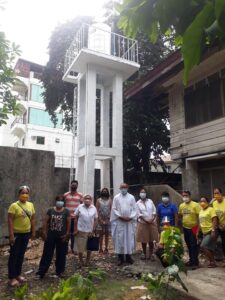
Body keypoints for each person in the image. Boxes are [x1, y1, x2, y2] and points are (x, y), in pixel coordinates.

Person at [36, 195, 70, 279]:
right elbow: (45, 221)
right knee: (47, 254)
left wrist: (67, 234)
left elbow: (68, 223)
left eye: (62, 200)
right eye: (58, 200)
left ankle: (60, 272)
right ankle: (41, 272)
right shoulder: (50, 210)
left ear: (64, 202)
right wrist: (44, 232)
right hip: (50, 236)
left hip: (62, 236)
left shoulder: (66, 211)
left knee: (61, 255)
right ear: (56, 201)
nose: (60, 202)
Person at [8, 185, 35, 287]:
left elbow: (33, 219)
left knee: (21, 255)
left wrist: (33, 232)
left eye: (26, 193)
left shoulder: (31, 205)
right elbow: (10, 220)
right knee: (14, 255)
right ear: (19, 194)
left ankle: (18, 275)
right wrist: (11, 235)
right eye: (22, 193)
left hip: (26, 234)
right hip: (16, 234)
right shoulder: (14, 206)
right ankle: (11, 278)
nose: (25, 195)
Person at [110, 183, 137, 266]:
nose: (123, 189)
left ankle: (129, 257)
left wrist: (130, 217)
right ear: (120, 188)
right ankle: (120, 258)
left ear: (127, 188)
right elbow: (114, 208)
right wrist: (120, 216)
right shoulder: (116, 197)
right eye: (122, 187)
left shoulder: (131, 197)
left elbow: (135, 209)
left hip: (129, 222)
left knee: (129, 239)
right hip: (120, 221)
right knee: (120, 239)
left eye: (125, 187)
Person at [74, 194, 98, 268]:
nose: (87, 200)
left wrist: (93, 230)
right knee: (80, 247)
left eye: (89, 198)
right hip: (80, 230)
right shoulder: (80, 207)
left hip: (89, 230)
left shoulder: (93, 208)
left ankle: (87, 261)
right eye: (86, 198)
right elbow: (76, 218)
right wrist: (76, 229)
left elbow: (96, 219)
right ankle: (81, 261)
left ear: (91, 200)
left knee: (89, 247)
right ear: (83, 199)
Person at [178, 191, 200, 269]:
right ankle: (191, 260)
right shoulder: (181, 205)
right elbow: (180, 215)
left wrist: (198, 229)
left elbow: (199, 217)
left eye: (186, 196)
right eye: (183, 196)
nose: (185, 197)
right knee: (188, 245)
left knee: (193, 245)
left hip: (194, 227)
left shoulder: (196, 205)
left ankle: (195, 262)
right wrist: (181, 223)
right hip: (185, 227)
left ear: (190, 196)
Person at [136, 188, 159, 260]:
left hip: (151, 223)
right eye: (141, 192)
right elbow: (138, 214)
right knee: (143, 239)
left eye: (144, 192)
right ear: (139, 194)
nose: (143, 194)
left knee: (151, 239)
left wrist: (152, 219)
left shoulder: (150, 201)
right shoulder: (137, 203)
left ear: (146, 193)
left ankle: (151, 254)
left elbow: (154, 211)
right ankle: (144, 253)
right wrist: (146, 220)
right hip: (143, 223)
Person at [199, 196, 218, 268]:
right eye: (201, 201)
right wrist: (199, 231)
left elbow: (214, 220)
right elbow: (200, 222)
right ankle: (213, 262)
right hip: (204, 232)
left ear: (207, 202)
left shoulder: (211, 209)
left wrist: (213, 230)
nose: (202, 203)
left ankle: (212, 261)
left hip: (210, 232)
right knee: (210, 248)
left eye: (204, 201)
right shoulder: (201, 211)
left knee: (203, 246)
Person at [64, 180, 83, 253]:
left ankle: (73, 249)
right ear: (70, 185)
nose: (74, 186)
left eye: (75, 185)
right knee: (66, 233)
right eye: (73, 184)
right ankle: (65, 249)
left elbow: (82, 205)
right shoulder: (65, 195)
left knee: (74, 234)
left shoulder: (80, 195)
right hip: (67, 218)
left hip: (75, 218)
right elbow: (63, 204)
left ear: (77, 186)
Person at [96, 188, 112, 254]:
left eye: (106, 191)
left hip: (108, 219)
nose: (104, 192)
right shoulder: (98, 200)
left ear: (107, 192)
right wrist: (100, 219)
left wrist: (108, 218)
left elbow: (111, 210)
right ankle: (100, 248)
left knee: (107, 234)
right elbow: (97, 210)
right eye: (103, 191)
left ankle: (106, 248)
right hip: (100, 219)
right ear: (101, 192)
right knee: (101, 234)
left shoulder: (110, 200)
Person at [212, 187, 225, 261]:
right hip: (219, 226)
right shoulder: (214, 203)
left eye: (217, 193)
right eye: (214, 193)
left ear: (221, 194)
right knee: (221, 243)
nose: (216, 195)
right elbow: (215, 215)